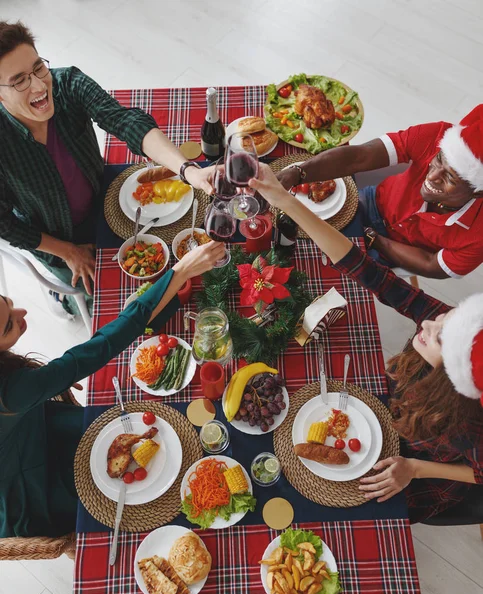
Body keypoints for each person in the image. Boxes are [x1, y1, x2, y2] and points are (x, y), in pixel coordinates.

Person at [251, 163, 483, 523]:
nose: (430, 323)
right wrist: (284, 200)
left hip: (419, 468)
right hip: (391, 408)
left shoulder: (472, 423)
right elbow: (362, 267)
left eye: (440, 335)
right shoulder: (451, 325)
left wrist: (416, 469)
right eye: (444, 317)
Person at [0, 241, 225, 539]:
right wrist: (181, 271)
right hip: (31, 483)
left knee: (116, 431)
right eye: (8, 325)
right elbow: (103, 345)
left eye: (8, 302)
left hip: (34, 422)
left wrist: (48, 381)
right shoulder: (14, 393)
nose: (24, 311)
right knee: (120, 505)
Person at [0, 20, 213, 315]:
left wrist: (189, 171)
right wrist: (67, 252)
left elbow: (125, 121)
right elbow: (5, 224)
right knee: (97, 297)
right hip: (55, 239)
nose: (39, 86)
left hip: (105, 198)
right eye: (20, 80)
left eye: (38, 68)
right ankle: (63, 297)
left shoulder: (68, 84)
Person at [277, 106, 483, 279]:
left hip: (397, 251)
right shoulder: (439, 135)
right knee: (289, 238)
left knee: (317, 275)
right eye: (438, 160)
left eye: (449, 178)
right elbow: (360, 156)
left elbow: (432, 265)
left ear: (477, 192)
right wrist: (298, 173)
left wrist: (373, 239)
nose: (431, 177)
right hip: (372, 202)